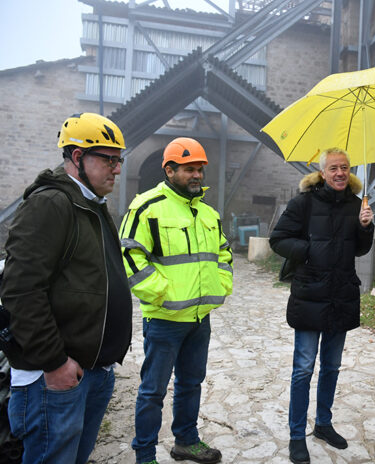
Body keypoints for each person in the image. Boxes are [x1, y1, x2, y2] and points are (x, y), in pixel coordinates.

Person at [0, 112, 132, 463]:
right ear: (77, 158)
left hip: (91, 372)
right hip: (56, 380)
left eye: (119, 160)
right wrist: (54, 362)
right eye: (109, 160)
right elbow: (20, 290)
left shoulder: (92, 205)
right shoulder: (50, 203)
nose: (117, 169)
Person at [119, 137, 233, 464]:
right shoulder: (147, 206)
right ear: (169, 170)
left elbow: (224, 253)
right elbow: (129, 255)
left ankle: (186, 441)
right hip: (164, 320)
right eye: (188, 169)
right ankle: (145, 455)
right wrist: (163, 293)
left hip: (199, 320)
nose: (196, 175)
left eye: (199, 169)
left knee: (191, 384)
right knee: (153, 392)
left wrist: (221, 284)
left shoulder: (208, 213)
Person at [269, 148, 374, 464]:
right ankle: (296, 434)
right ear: (322, 173)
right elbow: (278, 239)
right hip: (310, 294)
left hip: (340, 296)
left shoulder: (357, 205)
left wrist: (366, 226)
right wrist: (309, 251)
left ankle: (324, 424)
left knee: (331, 366)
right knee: (303, 369)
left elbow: (359, 249)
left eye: (345, 167)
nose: (340, 173)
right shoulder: (303, 203)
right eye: (333, 168)